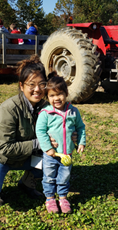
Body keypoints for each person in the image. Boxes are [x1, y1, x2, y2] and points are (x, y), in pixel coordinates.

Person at [0, 55, 49, 206]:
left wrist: (69, 136)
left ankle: (27, 183)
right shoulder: (10, 108)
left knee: (56, 159)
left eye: (42, 84)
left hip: (24, 154)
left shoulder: (47, 108)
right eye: (32, 85)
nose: (37, 89)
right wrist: (38, 144)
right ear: (22, 86)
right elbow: (4, 147)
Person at [36, 72, 86, 214]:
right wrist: (47, 148)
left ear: (66, 93)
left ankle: (63, 197)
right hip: (51, 155)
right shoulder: (45, 113)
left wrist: (81, 142)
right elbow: (40, 131)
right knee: (49, 176)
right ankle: (50, 198)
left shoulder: (73, 111)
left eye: (60, 94)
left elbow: (80, 127)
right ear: (47, 97)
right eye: (52, 95)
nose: (56, 98)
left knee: (64, 177)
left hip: (66, 154)